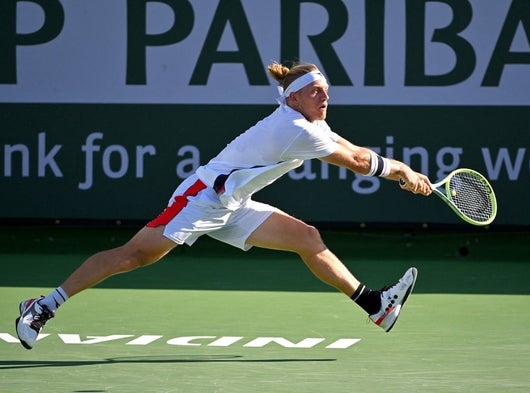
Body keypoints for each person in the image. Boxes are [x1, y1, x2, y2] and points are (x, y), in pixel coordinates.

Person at [16, 61, 432, 350]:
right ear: (293, 99)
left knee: (308, 238)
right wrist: (401, 173)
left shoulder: (311, 124)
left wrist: (402, 171)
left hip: (232, 204)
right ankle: (43, 306)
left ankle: (375, 306)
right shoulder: (294, 129)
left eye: (326, 92)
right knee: (134, 256)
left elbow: (351, 147)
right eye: (315, 92)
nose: (325, 98)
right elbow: (359, 162)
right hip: (201, 198)